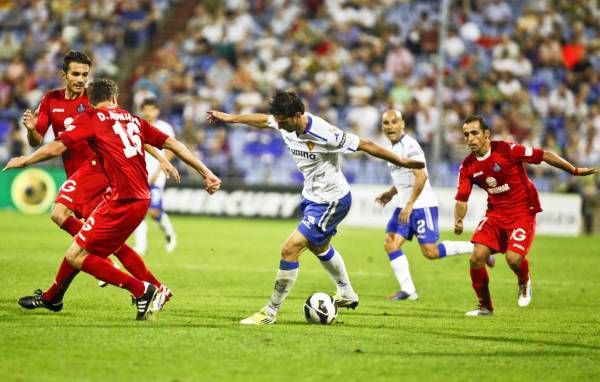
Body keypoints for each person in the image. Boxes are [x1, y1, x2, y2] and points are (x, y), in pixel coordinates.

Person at [4, 78, 222, 320]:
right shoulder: (134, 119)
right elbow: (174, 144)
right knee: (88, 248)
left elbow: (56, 147)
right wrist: (207, 173)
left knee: (76, 254)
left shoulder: (92, 118)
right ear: (115, 98)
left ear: (91, 101)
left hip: (120, 200)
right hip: (140, 199)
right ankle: (54, 297)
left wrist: (24, 160)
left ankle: (144, 290)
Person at [206, 90, 424, 325]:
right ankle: (346, 292)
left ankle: (269, 312)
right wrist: (231, 118)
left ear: (298, 115)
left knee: (290, 248)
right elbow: (263, 121)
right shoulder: (284, 121)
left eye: (283, 121)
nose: (278, 125)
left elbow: (366, 144)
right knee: (320, 247)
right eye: (277, 120)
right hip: (312, 196)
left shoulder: (324, 133)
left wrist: (400, 161)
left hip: (332, 200)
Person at [20, 50, 175, 310]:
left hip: (96, 171)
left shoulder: (94, 101)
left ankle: (61, 293)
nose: (81, 79)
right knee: (102, 245)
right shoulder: (50, 100)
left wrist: (160, 156)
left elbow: (127, 128)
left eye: (85, 74)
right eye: (76, 74)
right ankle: (155, 288)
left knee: (59, 214)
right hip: (77, 173)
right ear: (64, 75)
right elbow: (37, 139)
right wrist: (31, 131)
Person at [454, 115, 597, 316]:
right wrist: (458, 219)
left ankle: (524, 281)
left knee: (513, 259)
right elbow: (462, 198)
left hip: (523, 211)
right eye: (466, 134)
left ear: (487, 134)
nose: (470, 138)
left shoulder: (508, 150)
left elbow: (545, 155)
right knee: (476, 258)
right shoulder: (468, 166)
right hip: (495, 214)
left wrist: (573, 170)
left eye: (474, 133)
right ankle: (485, 306)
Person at [375, 110, 492, 301]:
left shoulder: (410, 146)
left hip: (421, 205)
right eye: (386, 123)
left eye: (394, 122)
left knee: (430, 252)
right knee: (390, 243)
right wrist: (390, 193)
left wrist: (410, 204)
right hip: (404, 205)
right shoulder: (393, 148)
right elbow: (404, 179)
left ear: (402, 124)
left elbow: (421, 176)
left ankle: (477, 249)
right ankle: (408, 291)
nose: (390, 126)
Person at [133, 98, 177, 255]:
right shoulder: (135, 125)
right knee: (138, 212)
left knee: (153, 211)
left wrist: (159, 170)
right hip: (138, 175)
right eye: (146, 109)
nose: (149, 112)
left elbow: (171, 150)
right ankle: (140, 246)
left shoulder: (164, 127)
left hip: (157, 175)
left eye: (152, 109)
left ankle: (169, 233)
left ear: (157, 110)